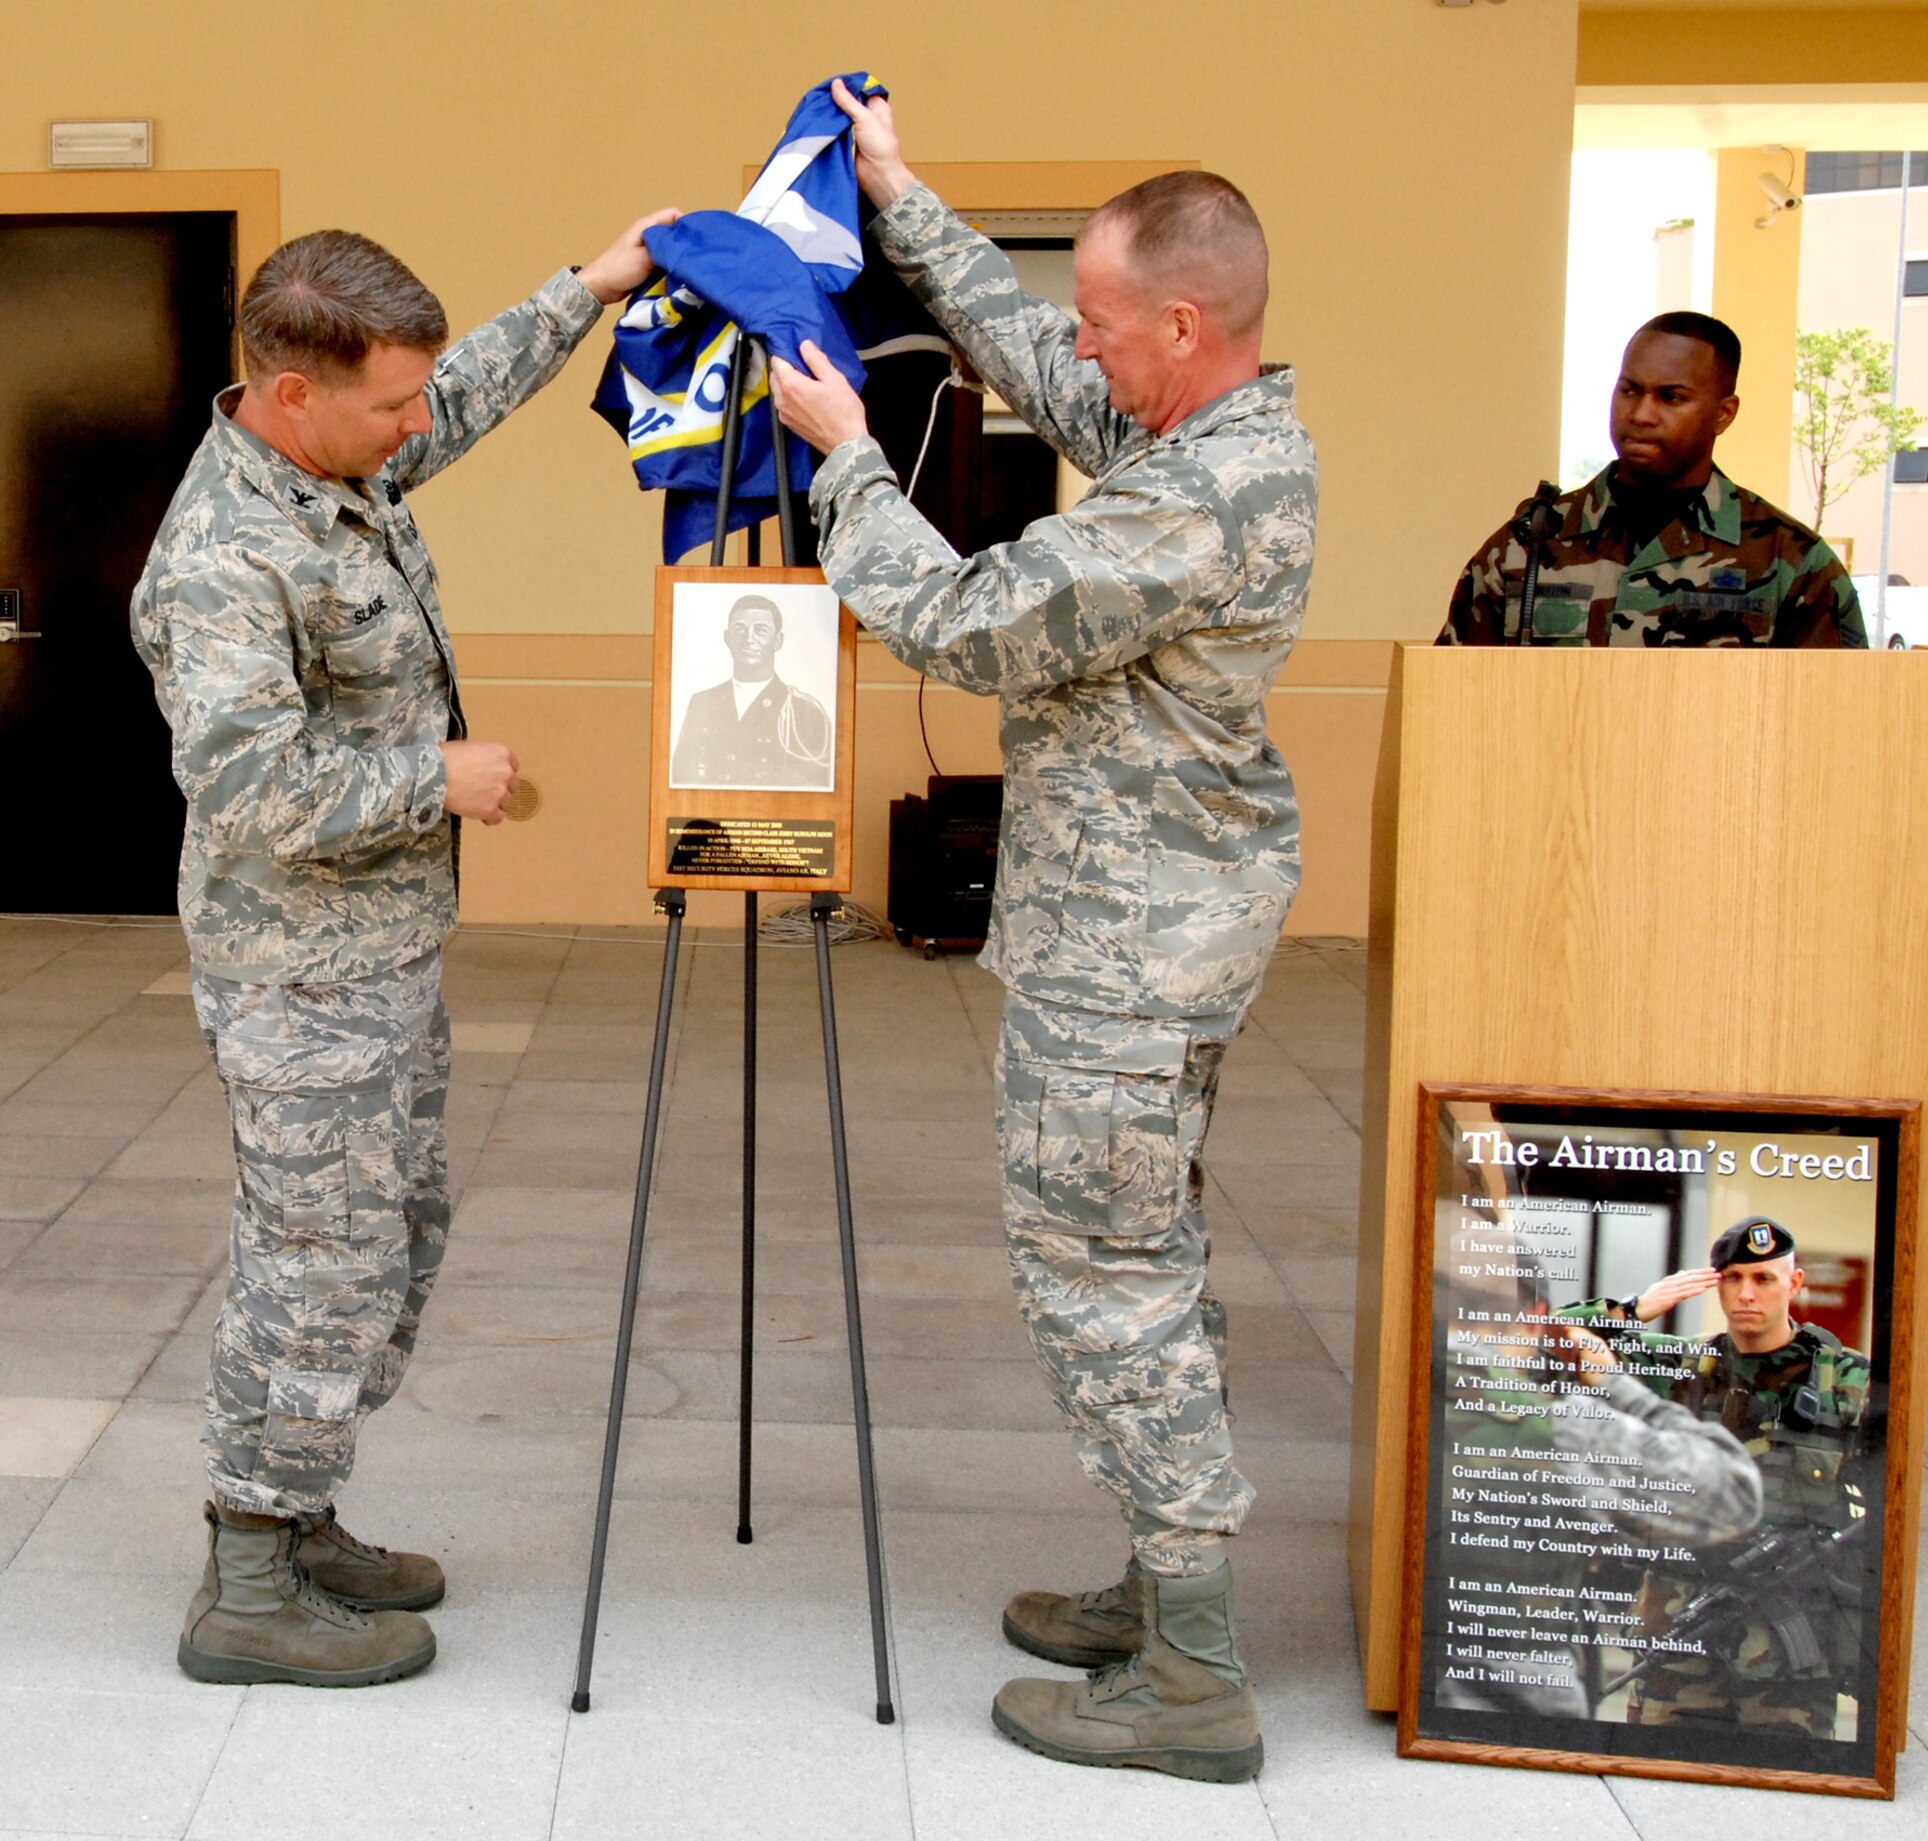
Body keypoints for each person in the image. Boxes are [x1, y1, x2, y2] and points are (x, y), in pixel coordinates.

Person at [770, 81, 1317, 1784]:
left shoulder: (1190, 501)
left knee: (1111, 1285)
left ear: (1181, 319)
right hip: (1151, 933)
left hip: (1126, 963)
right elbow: (1030, 350)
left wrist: (848, 461)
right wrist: (897, 194)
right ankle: (1162, 1593)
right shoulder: (1187, 429)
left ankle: (1196, 1673)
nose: (1076, 350)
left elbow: (965, 622)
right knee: (1137, 1259)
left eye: (1103, 316)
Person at [130, 210, 676, 1688]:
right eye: (391, 402)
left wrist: (590, 286)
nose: (417, 423)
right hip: (298, 970)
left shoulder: (339, 464)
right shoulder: (224, 556)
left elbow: (470, 385)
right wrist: (437, 777)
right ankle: (248, 1575)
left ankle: (298, 1510)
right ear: (291, 391)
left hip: (375, 950)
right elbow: (244, 789)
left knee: (388, 1239)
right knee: (317, 1258)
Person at [1570, 1215, 1873, 1736]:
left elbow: (1899, 1500)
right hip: (1679, 1642)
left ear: (1794, 1284)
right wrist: (1637, 1309)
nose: (1746, 1294)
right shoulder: (1681, 1370)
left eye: (1763, 1279)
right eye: (1731, 1278)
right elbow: (1545, 1341)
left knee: (1786, 1786)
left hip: (1791, 1663)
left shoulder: (1847, 1382)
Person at [1434, 1246, 1762, 1722]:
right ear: (1539, 1320)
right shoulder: (1559, 1429)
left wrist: (1623, 1312)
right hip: (1514, 1713)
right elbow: (1732, 1491)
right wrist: (1614, 1383)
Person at [1438, 312, 1868, 648]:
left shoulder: (1789, 562)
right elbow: (1450, 702)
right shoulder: (1528, 546)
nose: (1641, 414)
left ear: (1724, 413)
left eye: (1671, 397)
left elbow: (1832, 722)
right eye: (1630, 390)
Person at [670, 591, 833, 788]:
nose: (749, 639)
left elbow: (814, 785)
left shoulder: (803, 710)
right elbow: (682, 775)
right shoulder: (703, 703)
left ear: (778, 641)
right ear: (727, 638)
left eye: (761, 630)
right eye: (739, 629)